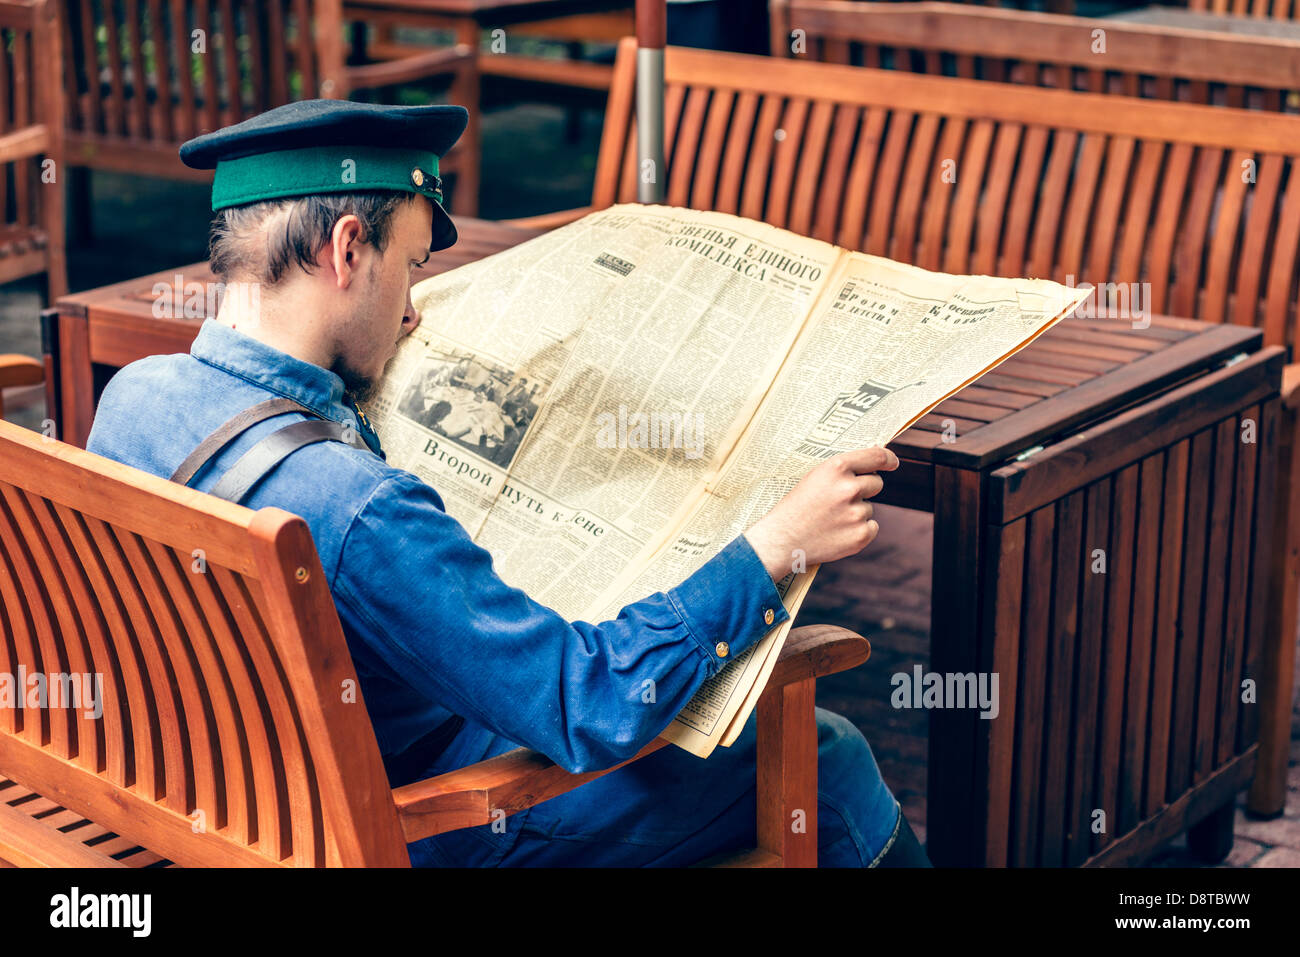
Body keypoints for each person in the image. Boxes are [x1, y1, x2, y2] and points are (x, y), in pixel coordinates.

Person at [84, 99, 930, 868]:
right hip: (407, 822)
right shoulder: (351, 508)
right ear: (348, 249)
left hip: (224, 800)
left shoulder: (133, 398)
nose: (413, 309)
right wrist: (775, 546)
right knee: (829, 756)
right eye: (411, 268)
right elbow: (583, 700)